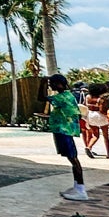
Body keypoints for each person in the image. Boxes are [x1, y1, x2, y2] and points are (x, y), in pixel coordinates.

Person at [46, 73, 89, 201]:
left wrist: (42, 84)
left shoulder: (63, 97)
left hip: (64, 130)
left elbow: (41, 98)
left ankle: (81, 190)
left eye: (52, 84)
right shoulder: (68, 95)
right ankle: (77, 186)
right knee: (72, 158)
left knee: (73, 159)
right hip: (64, 130)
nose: (51, 86)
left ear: (59, 84)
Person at [83, 87, 109, 158]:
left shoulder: (88, 96)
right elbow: (102, 109)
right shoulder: (101, 98)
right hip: (100, 116)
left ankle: (89, 147)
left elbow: (86, 105)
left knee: (95, 135)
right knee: (106, 136)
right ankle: (108, 153)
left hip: (90, 115)